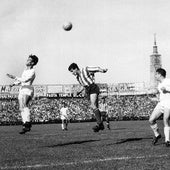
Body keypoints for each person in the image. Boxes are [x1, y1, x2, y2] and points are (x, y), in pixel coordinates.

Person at [68, 63, 108, 132]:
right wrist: (78, 92)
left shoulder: (85, 70)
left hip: (92, 87)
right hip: (88, 90)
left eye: (72, 71)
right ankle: (100, 123)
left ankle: (100, 124)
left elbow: (96, 68)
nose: (72, 73)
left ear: (76, 68)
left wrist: (102, 70)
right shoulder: (78, 78)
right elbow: (83, 86)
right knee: (94, 107)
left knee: (93, 105)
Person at [7, 54, 39, 134]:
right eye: (27, 59)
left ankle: (28, 122)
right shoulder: (25, 70)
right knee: (21, 108)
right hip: (22, 89)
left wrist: (14, 77)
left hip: (28, 89)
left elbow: (25, 80)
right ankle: (25, 125)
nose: (27, 61)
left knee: (24, 105)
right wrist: (14, 84)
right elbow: (21, 80)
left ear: (32, 63)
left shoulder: (32, 71)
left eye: (29, 60)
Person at [149, 68, 170, 147]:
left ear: (160, 74)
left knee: (166, 119)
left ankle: (167, 140)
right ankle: (157, 134)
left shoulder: (168, 81)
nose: (155, 76)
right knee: (151, 120)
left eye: (156, 74)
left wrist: (167, 89)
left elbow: (166, 92)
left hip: (169, 102)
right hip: (161, 103)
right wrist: (154, 99)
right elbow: (162, 96)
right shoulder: (159, 85)